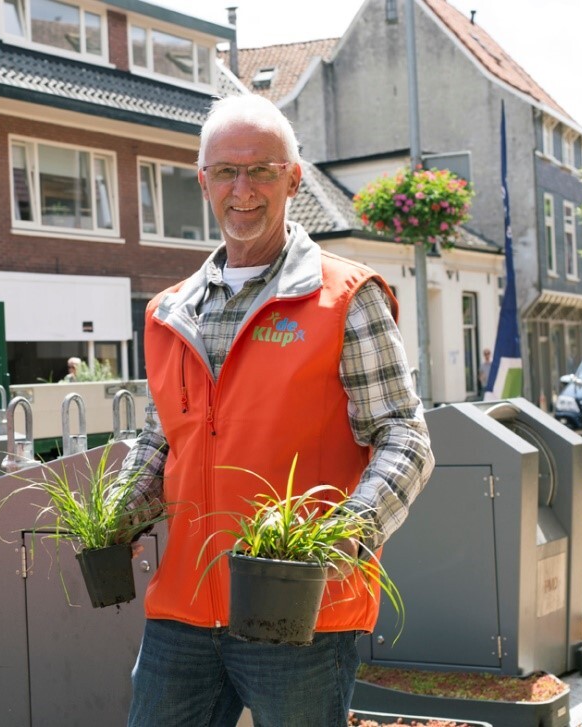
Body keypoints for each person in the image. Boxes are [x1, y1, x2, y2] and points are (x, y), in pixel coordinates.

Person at [119, 94, 435, 726]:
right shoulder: (169, 310)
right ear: (202, 177)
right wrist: (116, 516)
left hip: (299, 613)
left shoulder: (345, 298)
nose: (244, 189)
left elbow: (404, 437)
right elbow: (163, 442)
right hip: (181, 610)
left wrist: (344, 537)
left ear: (294, 178)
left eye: (262, 169)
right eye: (226, 171)